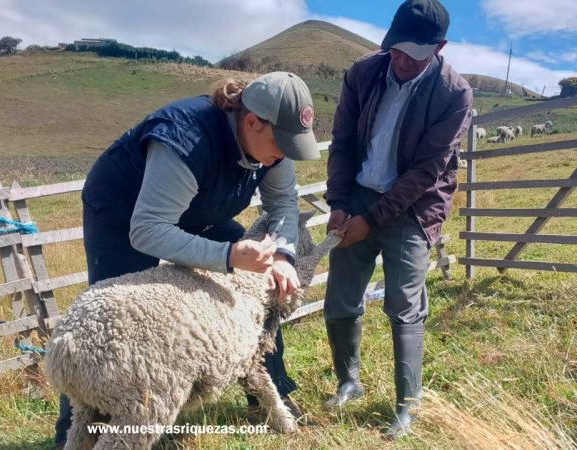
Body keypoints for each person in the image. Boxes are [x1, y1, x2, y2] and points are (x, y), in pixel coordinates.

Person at [53, 71, 322, 448]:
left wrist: (281, 254)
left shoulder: (271, 151)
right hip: (125, 215)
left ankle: (270, 394)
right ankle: (85, 429)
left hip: (198, 211)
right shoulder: (186, 138)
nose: (287, 153)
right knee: (113, 330)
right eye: (284, 142)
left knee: (255, 296)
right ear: (252, 123)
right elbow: (149, 230)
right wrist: (228, 256)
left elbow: (283, 205)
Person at [323, 0, 473, 438]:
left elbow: (427, 170)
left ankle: (407, 404)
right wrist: (339, 203)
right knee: (342, 295)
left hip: (412, 205)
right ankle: (349, 381)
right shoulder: (364, 72)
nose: (403, 60)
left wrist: (373, 218)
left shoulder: (453, 94)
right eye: (396, 48)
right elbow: (343, 142)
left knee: (403, 304)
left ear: (439, 47)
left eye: (415, 53)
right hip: (357, 196)